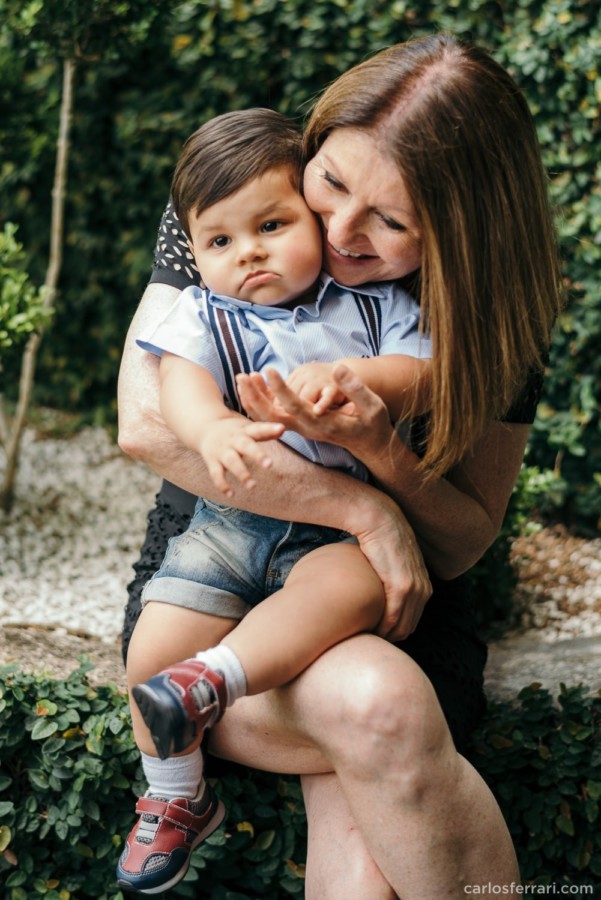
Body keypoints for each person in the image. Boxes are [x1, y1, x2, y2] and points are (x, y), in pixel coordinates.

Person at [117, 34, 562, 899]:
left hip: (392, 594)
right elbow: (145, 421)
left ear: (461, 238)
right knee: (376, 710)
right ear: (309, 148)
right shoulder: (240, 193)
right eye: (328, 184)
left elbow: (464, 539)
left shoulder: (484, 314)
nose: (340, 231)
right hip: (218, 563)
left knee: (374, 715)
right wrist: (364, 511)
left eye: (392, 223)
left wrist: (377, 451)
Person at [116, 108, 432, 894]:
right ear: (196, 252)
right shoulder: (204, 313)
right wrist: (215, 427)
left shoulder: (363, 302)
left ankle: (217, 677)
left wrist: (364, 381)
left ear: (310, 217)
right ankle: (175, 798)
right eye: (219, 242)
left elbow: (420, 370)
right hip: (230, 522)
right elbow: (178, 391)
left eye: (270, 224)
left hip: (331, 535)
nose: (248, 252)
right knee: (150, 653)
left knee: (352, 584)